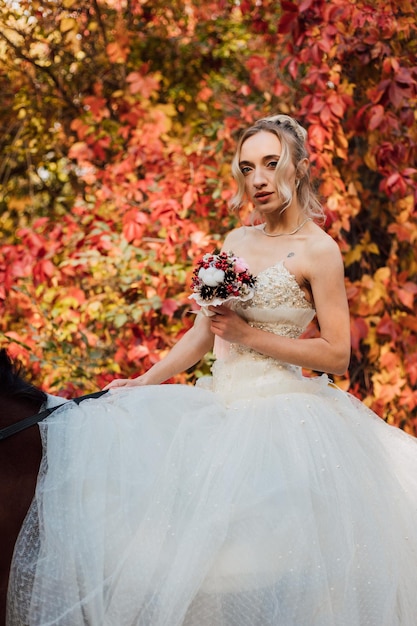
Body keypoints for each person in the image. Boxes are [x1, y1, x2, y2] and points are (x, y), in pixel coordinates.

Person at [7, 115, 417, 626]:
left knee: (280, 563)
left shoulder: (320, 251)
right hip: (217, 405)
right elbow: (204, 331)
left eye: (272, 164)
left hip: (284, 419)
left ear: (301, 168)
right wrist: (143, 380)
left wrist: (248, 336)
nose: (259, 179)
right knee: (184, 556)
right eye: (248, 168)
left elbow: (337, 355)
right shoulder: (236, 241)